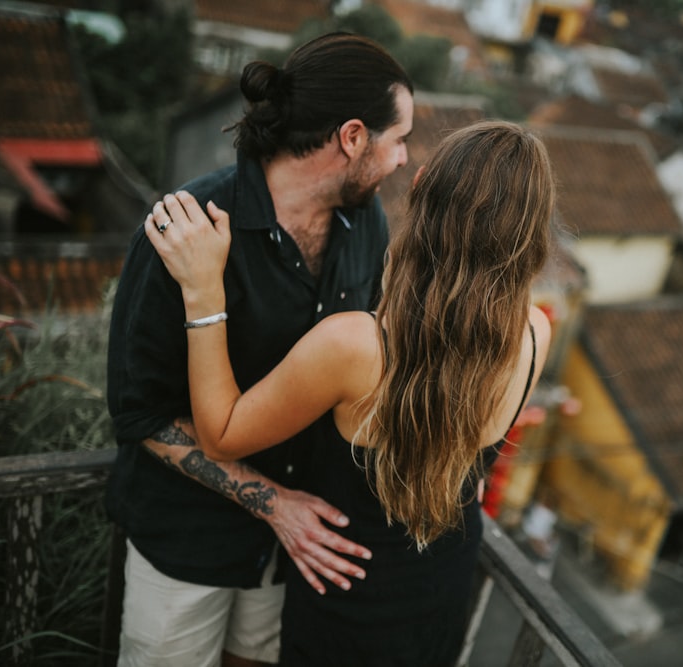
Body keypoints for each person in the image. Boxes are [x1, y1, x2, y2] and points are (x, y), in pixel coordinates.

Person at [146, 120, 554, 666]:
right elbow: (464, 453)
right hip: (443, 583)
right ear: (531, 232)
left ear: (423, 192)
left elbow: (219, 434)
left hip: (350, 590)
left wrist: (203, 292)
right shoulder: (534, 331)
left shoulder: (357, 345)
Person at [105, 33, 414, 666]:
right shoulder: (183, 231)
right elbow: (140, 415)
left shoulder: (369, 222)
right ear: (352, 137)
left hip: (300, 547)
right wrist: (274, 505)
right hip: (187, 545)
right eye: (398, 138)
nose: (405, 158)